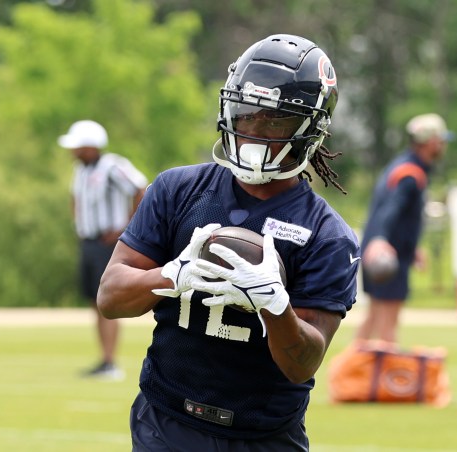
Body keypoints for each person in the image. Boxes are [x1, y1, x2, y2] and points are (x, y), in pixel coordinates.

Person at [97, 34, 359, 450]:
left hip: (263, 435)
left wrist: (275, 307)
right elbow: (110, 298)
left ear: (312, 128)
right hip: (165, 421)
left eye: (275, 119)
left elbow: (302, 364)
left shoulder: (327, 236)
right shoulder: (176, 190)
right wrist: (171, 275)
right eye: (246, 113)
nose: (255, 130)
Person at [58, 119, 147, 379]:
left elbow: (140, 189)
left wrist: (127, 228)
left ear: (90, 146)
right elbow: (76, 200)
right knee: (94, 302)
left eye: (77, 146)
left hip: (107, 244)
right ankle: (105, 359)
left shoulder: (113, 166)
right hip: (88, 241)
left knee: (107, 301)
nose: (72, 151)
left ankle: (111, 362)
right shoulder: (81, 171)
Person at [355, 113, 451, 344]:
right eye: (441, 140)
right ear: (431, 142)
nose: (444, 145)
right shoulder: (410, 174)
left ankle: (350, 374)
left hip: (385, 250)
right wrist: (380, 239)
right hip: (388, 255)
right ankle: (380, 374)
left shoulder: (402, 166)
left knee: (375, 317)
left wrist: (412, 247)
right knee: (388, 323)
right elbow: (390, 210)